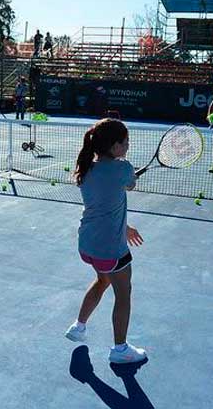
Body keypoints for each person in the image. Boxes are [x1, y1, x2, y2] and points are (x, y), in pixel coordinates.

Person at [65, 118, 147, 364]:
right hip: (110, 249)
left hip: (87, 245)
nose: (128, 146)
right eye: (125, 142)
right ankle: (121, 349)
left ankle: (78, 327)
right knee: (124, 293)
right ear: (113, 147)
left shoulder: (86, 168)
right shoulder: (123, 169)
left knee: (102, 280)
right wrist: (129, 172)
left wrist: (126, 227)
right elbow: (129, 186)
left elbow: (106, 203)